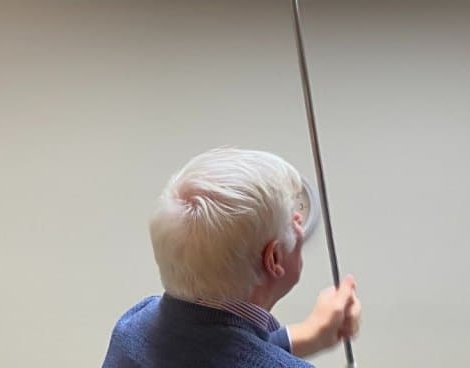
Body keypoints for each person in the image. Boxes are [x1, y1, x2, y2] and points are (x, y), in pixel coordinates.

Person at [102, 148, 361, 368]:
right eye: (291, 216)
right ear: (273, 259)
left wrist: (311, 334)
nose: (298, 220)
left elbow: (208, 351)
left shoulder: (134, 326)